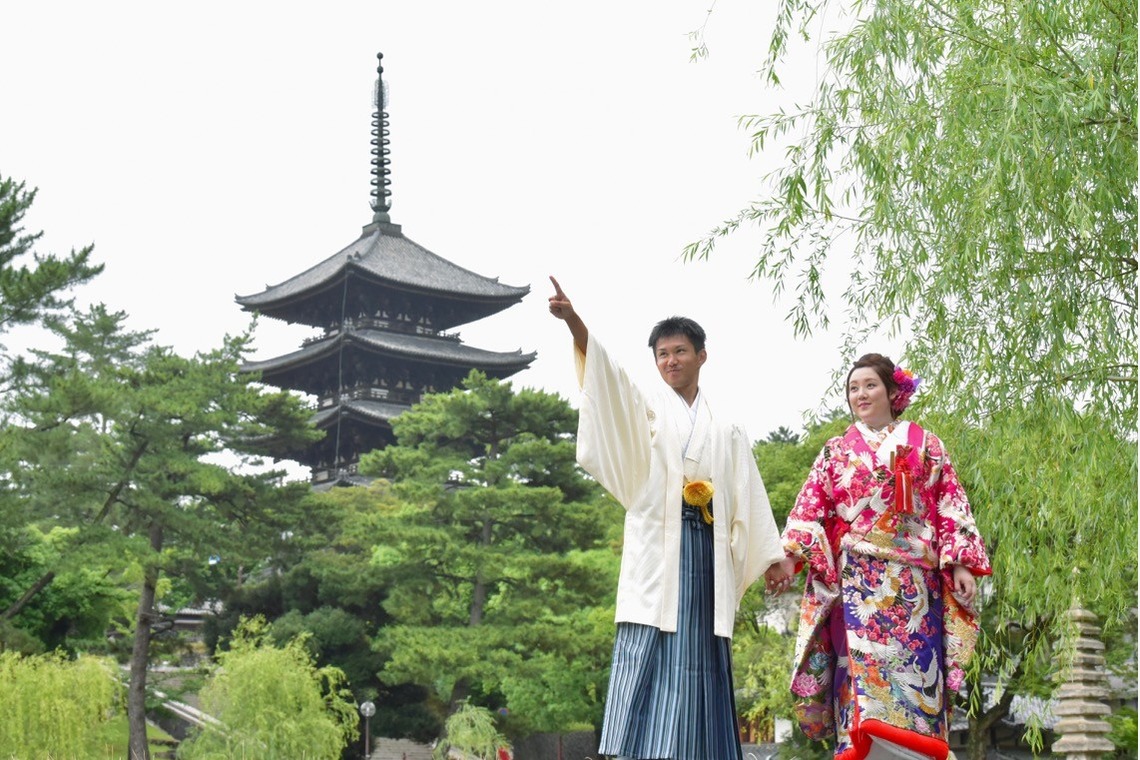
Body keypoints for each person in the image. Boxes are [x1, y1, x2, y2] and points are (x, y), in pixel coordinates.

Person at [548, 276, 794, 760]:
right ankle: (648, 748)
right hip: (657, 548)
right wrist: (575, 322)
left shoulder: (727, 428)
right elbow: (606, 377)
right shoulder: (647, 410)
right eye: (662, 354)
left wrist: (771, 556)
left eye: (680, 351)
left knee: (701, 644)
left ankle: (700, 749)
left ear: (702, 355)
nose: (670, 361)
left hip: (705, 546)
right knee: (653, 637)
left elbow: (749, 492)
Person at [779, 353, 991, 760]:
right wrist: (790, 560)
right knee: (859, 695)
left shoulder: (927, 444)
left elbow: (950, 504)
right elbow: (809, 512)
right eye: (853, 387)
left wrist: (961, 562)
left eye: (870, 385)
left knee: (918, 689)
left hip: (915, 593)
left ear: (893, 392)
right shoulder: (835, 451)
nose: (861, 393)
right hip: (856, 587)